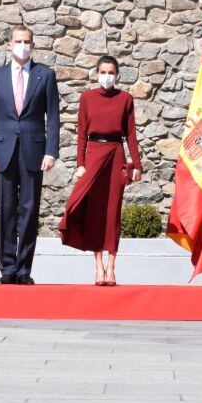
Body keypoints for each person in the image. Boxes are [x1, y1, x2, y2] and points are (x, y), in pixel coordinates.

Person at [0, 25, 60, 285]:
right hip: (3, 151)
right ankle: (7, 268)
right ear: (9, 45)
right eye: (18, 41)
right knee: (5, 209)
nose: (23, 45)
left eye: (27, 41)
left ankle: (24, 269)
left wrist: (51, 151)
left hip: (33, 151)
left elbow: (53, 118)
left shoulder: (45, 75)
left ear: (33, 45)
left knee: (29, 209)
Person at [58, 56, 141, 286]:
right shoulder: (87, 98)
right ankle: (98, 267)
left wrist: (136, 165)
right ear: (96, 73)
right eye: (103, 72)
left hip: (116, 155)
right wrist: (80, 164)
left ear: (118, 75)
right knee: (94, 210)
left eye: (111, 72)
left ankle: (112, 268)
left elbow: (131, 135)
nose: (107, 76)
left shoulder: (125, 99)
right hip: (94, 153)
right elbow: (82, 132)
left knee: (113, 212)